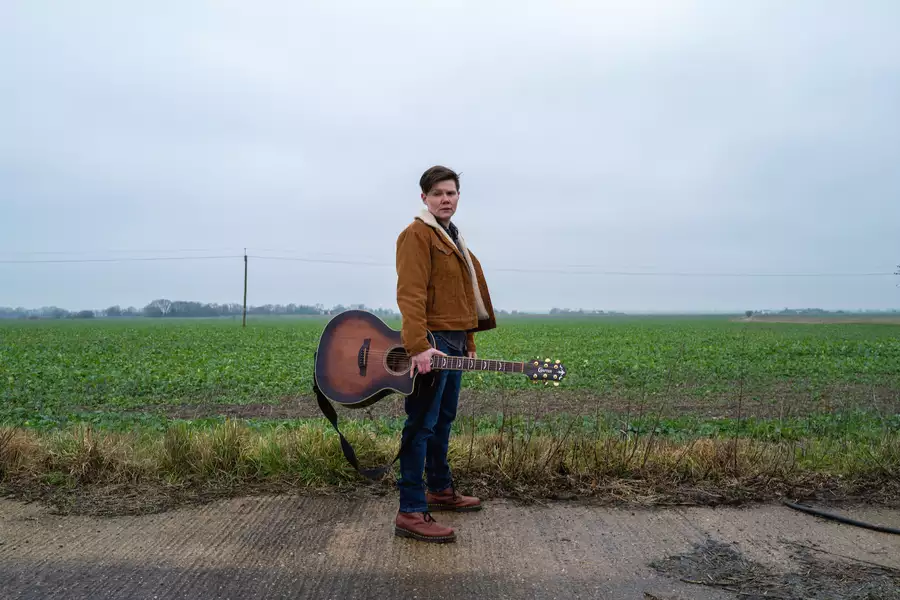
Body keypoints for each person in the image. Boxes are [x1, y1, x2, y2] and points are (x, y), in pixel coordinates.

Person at [393, 165, 497, 543]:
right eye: (437, 193)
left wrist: (469, 338)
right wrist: (418, 346)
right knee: (421, 424)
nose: (445, 199)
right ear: (424, 198)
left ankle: (440, 489)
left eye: (451, 193)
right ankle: (410, 509)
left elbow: (460, 296)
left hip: (454, 339)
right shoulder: (417, 235)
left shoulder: (452, 237)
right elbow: (411, 294)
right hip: (432, 341)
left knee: (444, 419)